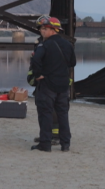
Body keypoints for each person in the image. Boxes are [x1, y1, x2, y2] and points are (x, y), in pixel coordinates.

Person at [30, 16, 76, 152]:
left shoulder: (45, 45)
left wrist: (38, 75)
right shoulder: (68, 45)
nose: (41, 32)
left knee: (46, 113)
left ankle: (45, 144)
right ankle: (65, 144)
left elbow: (35, 61)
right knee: (63, 114)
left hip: (48, 85)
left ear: (52, 30)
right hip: (63, 85)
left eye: (44, 29)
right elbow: (73, 63)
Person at [29, 15, 61, 146]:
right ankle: (44, 134)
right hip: (41, 81)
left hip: (53, 81)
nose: (42, 31)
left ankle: (56, 135)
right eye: (41, 28)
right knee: (42, 108)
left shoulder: (57, 43)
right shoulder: (39, 43)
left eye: (44, 28)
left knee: (53, 110)